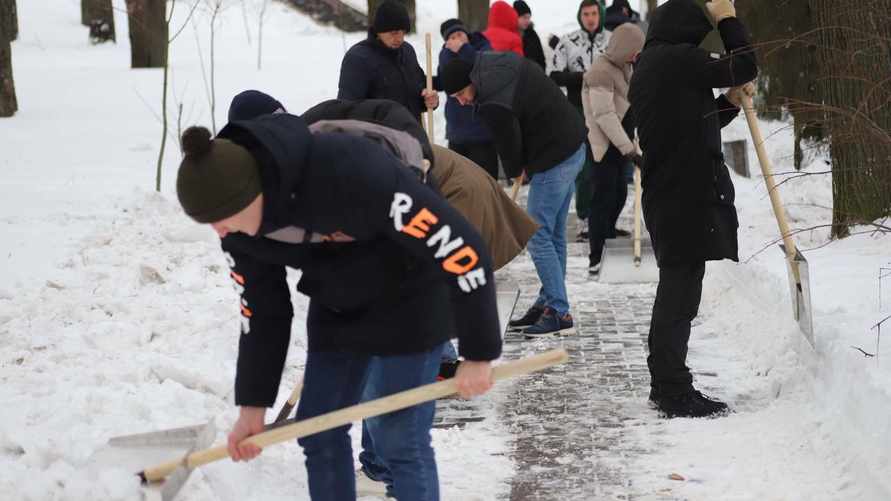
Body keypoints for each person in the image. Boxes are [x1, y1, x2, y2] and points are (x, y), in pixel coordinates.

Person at [175, 109, 502, 500]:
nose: (219, 231)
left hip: (410, 295)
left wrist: (479, 353)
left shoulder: (353, 172)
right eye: (209, 223)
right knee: (318, 431)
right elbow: (262, 313)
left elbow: (460, 248)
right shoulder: (238, 232)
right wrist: (252, 406)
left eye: (223, 218)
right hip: (338, 303)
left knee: (399, 439)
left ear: (253, 192)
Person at [628, 0, 757, 418]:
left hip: (672, 192)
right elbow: (745, 64)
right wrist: (727, 19)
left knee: (681, 288)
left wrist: (731, 102)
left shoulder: (656, 63)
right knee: (679, 293)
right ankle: (671, 390)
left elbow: (695, 120)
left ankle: (668, 383)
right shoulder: (678, 59)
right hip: (679, 195)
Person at [441, 51, 587, 337]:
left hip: (555, 154)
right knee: (553, 233)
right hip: (572, 144)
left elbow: (508, 139)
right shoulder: (491, 64)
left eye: (460, 93)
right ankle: (548, 302)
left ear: (471, 79)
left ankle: (559, 311)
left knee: (536, 233)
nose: (462, 100)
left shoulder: (493, 98)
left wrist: (515, 169)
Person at [581, 23, 645, 276]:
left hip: (619, 145)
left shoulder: (623, 67)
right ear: (624, 48)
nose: (636, 56)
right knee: (603, 199)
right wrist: (629, 150)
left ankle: (608, 238)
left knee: (618, 194)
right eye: (634, 51)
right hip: (604, 147)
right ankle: (596, 255)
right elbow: (604, 115)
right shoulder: (601, 72)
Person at [550, 0, 611, 244]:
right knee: (584, 168)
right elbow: (554, 75)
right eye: (585, 14)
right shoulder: (568, 41)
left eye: (594, 13)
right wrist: (583, 77)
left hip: (608, 108)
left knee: (608, 166)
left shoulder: (612, 39)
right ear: (580, 16)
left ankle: (607, 219)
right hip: (578, 109)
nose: (590, 18)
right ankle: (586, 217)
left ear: (600, 14)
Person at [337, 0, 438, 123]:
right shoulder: (358, 58)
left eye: (403, 33)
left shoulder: (407, 51)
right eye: (394, 33)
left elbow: (418, 89)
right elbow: (347, 110)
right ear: (379, 31)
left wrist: (428, 100)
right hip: (380, 138)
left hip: (411, 136)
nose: (400, 39)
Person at [437, 19, 499, 179]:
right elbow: (444, 81)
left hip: (481, 132)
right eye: (452, 37)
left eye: (460, 34)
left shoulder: (482, 48)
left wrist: (464, 50)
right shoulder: (444, 55)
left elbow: (487, 66)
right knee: (460, 182)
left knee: (484, 181)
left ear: (467, 35)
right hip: (457, 131)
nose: (457, 39)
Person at [513, 1, 546, 70]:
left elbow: (541, 59)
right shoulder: (510, 34)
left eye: (529, 18)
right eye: (524, 17)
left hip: (533, 74)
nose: (527, 21)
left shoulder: (532, 34)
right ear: (516, 16)